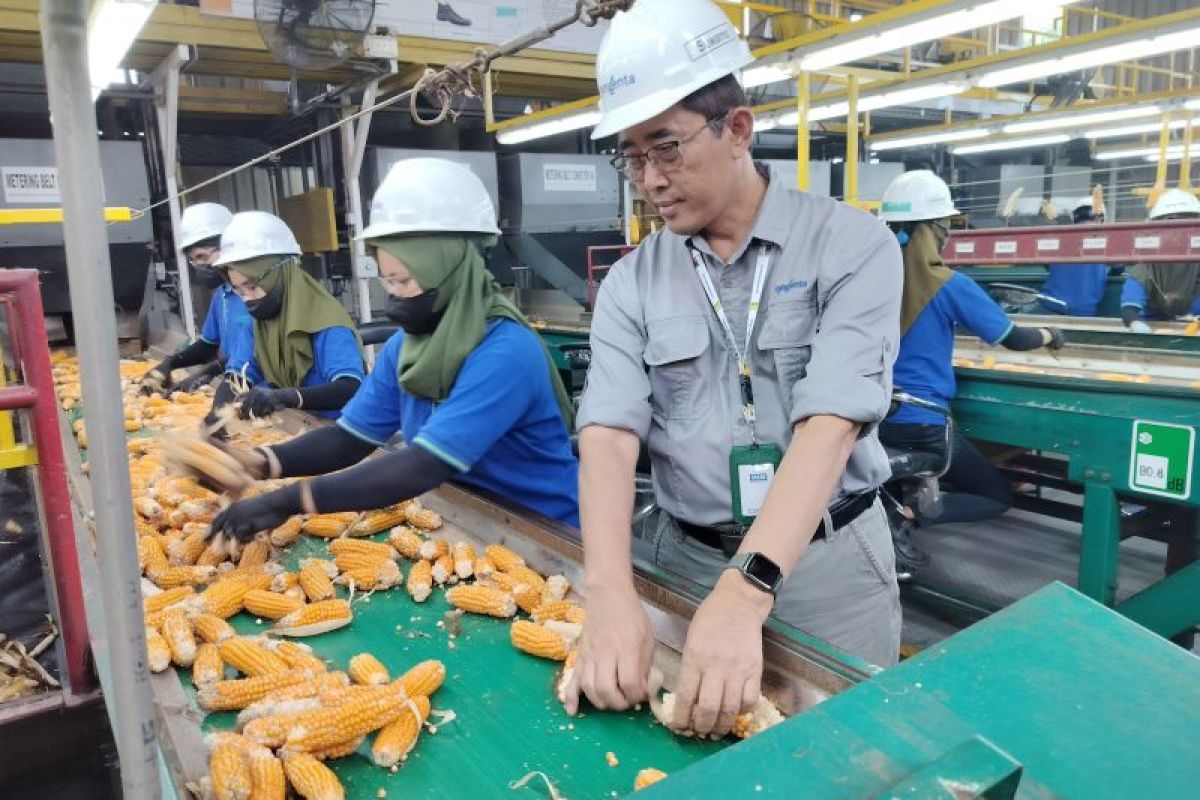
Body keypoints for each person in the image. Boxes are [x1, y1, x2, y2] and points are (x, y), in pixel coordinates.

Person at [564, 0, 904, 740]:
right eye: (631, 156)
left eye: (666, 148)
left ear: (738, 130)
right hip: (685, 555)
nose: (650, 179)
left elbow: (830, 424)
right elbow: (610, 436)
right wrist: (610, 589)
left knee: (844, 753)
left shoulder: (853, 246)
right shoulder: (631, 282)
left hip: (827, 568)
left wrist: (748, 590)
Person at [207, 158, 578, 539]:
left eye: (404, 281)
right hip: (468, 521)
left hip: (545, 535)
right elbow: (348, 438)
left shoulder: (506, 353)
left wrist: (285, 500)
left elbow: (422, 465)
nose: (394, 297)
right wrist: (256, 463)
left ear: (450, 269)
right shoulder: (407, 346)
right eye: (387, 281)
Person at [877, 170, 1066, 578]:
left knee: (884, 474)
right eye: (944, 229)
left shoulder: (870, 282)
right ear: (934, 231)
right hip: (922, 426)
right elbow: (1013, 338)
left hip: (874, 421)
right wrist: (1051, 333)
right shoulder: (949, 285)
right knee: (995, 494)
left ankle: (888, 518)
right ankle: (912, 514)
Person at [206, 211, 365, 425]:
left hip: (341, 429)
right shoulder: (260, 323)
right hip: (295, 425)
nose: (247, 299)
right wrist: (218, 415)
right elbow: (239, 374)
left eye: (252, 287)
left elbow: (349, 386)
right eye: (239, 290)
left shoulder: (327, 323)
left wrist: (290, 396)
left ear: (279, 276)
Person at [142, 203, 250, 394]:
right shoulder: (222, 294)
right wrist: (171, 363)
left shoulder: (255, 294)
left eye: (202, 256)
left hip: (266, 394)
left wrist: (211, 370)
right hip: (235, 389)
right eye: (194, 260)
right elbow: (209, 344)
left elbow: (258, 352)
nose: (199, 266)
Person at [1121, 188, 1200, 333]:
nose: (1181, 236)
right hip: (1148, 324)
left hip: (1185, 326)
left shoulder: (1195, 264)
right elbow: (1129, 309)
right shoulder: (1146, 267)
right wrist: (1135, 323)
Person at [1039, 198, 1110, 317]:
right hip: (1083, 312)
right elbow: (1119, 268)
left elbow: (1047, 264)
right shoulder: (1106, 241)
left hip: (1048, 305)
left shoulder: (1059, 239)